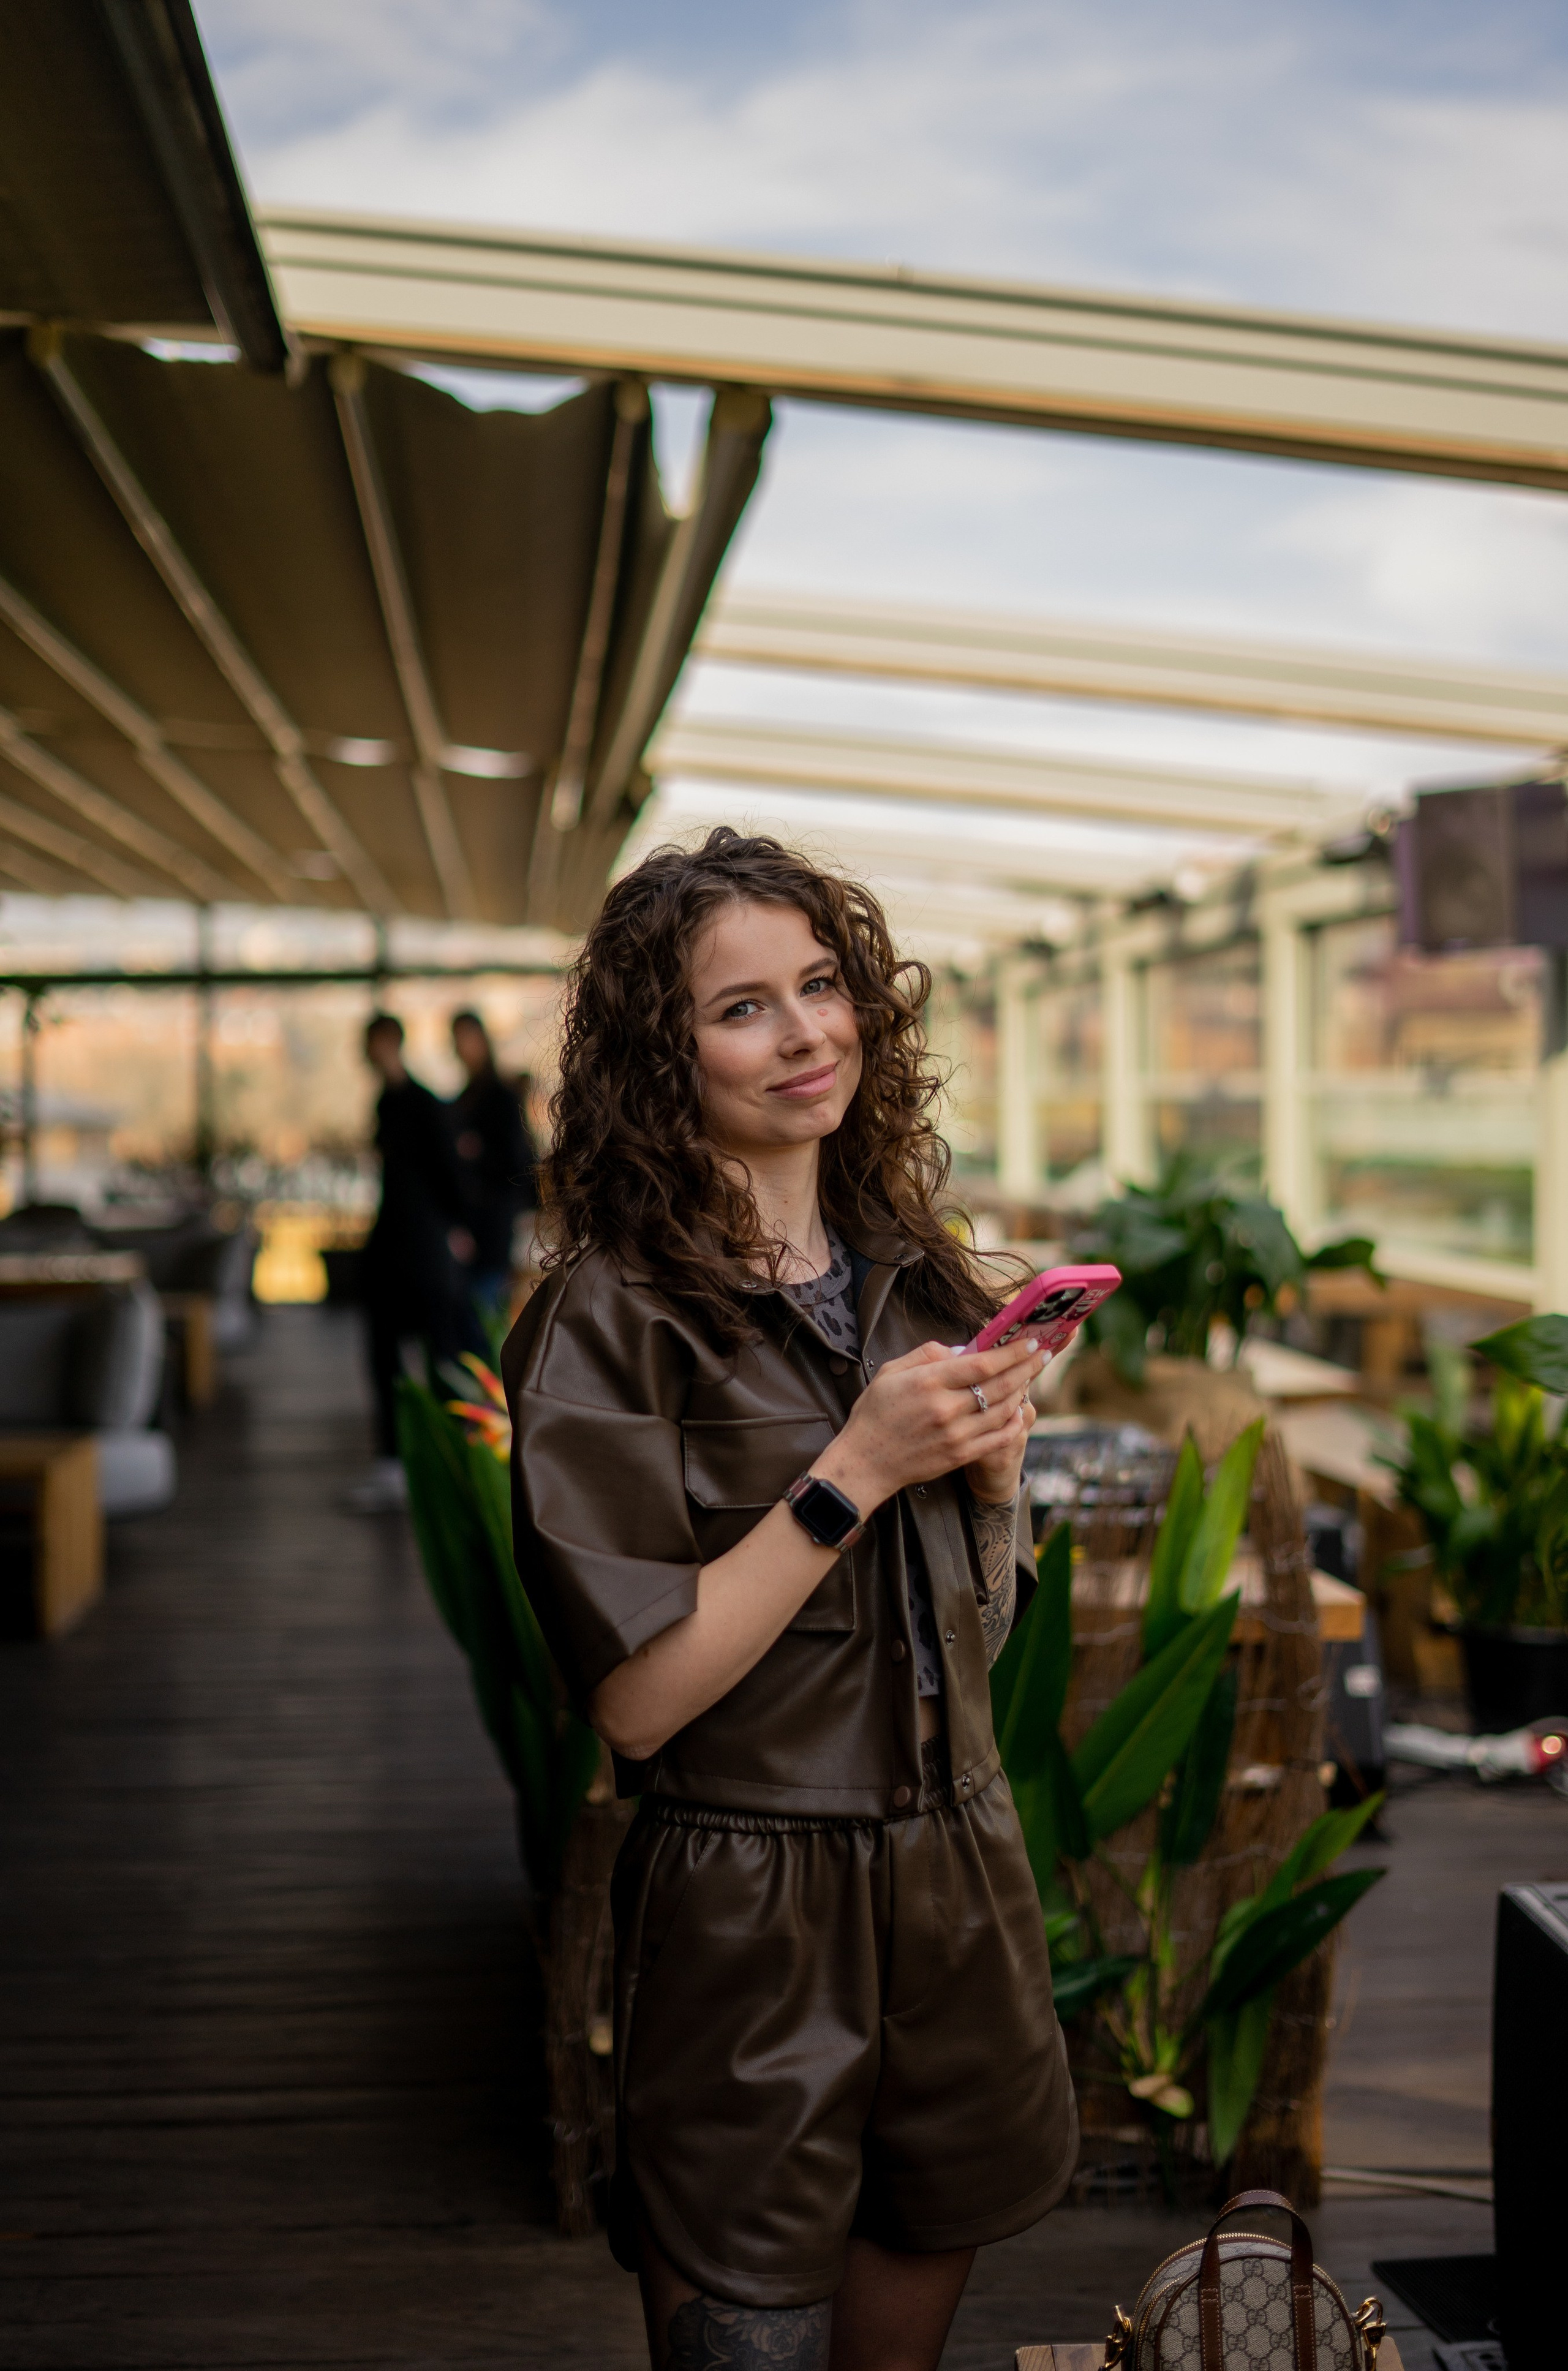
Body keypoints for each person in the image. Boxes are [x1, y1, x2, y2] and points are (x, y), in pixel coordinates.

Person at [502, 830, 1077, 2371]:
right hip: (751, 1902)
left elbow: (979, 1641)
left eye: (821, 984)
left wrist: (987, 1483)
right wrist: (852, 1471)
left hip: (955, 1872)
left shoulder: (920, 1277)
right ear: (656, 1052)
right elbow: (634, 1701)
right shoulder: (606, 1317)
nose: (806, 1031)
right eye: (740, 1006)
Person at [348, 1012, 481, 1512]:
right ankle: (395, 1466)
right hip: (394, 1246)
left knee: (442, 1357)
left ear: (387, 1043)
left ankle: (454, 1464)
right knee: (386, 1354)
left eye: (368, 1043)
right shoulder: (388, 1102)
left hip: (422, 1251)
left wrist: (458, 1231)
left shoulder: (423, 1104)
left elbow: (450, 1175)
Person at [448, 1009, 537, 1324]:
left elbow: (518, 1161)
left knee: (489, 1317)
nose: (461, 1048)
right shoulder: (463, 1101)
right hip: (476, 1228)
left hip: (497, 1226)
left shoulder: (500, 1099)